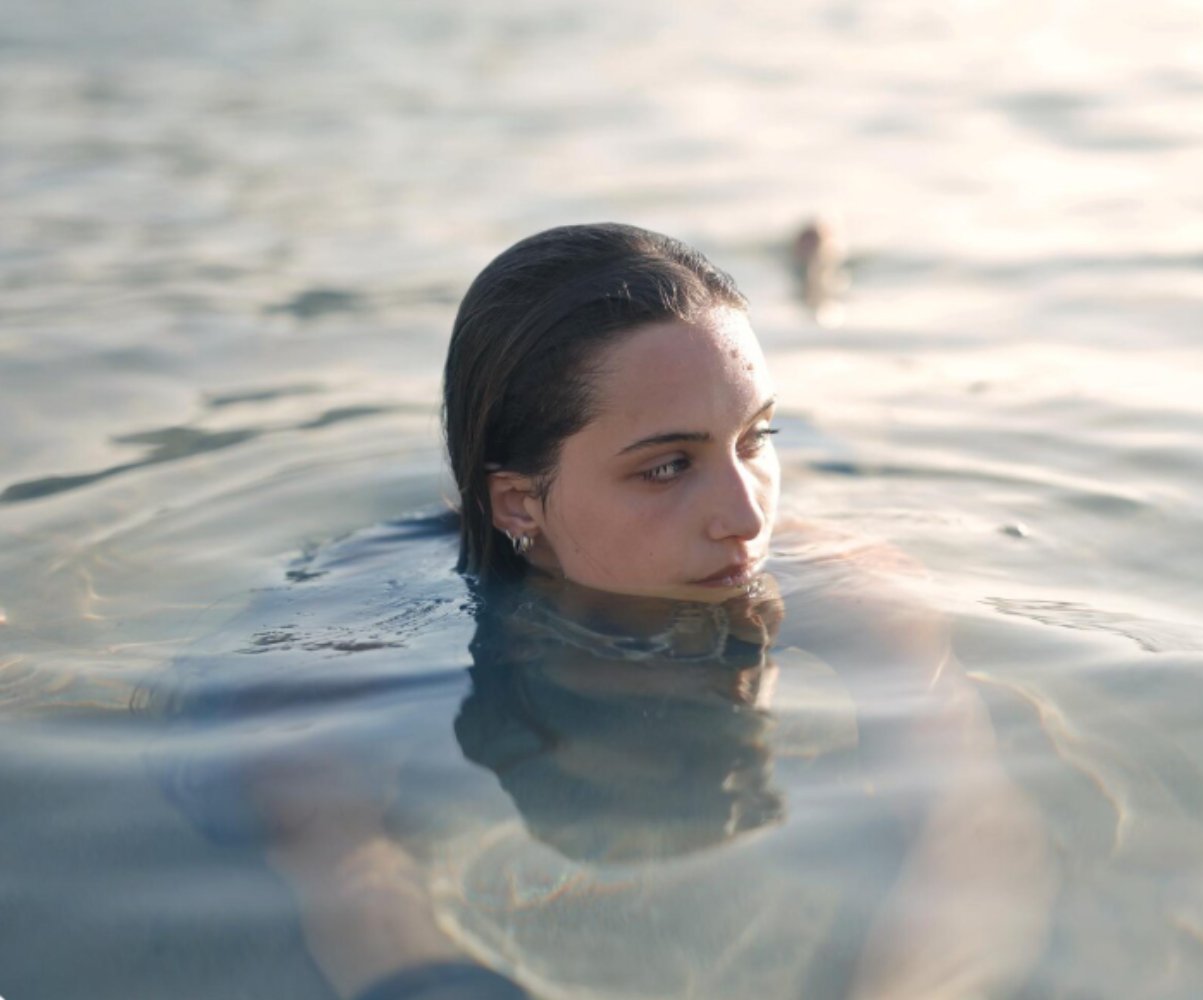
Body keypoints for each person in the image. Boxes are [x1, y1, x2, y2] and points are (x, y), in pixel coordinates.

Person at [238, 223, 1053, 999]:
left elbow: (975, 827)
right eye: (667, 468)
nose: (746, 516)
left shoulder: (846, 586)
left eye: (757, 439)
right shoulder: (353, 621)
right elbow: (335, 856)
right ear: (518, 503)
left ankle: (813, 284)